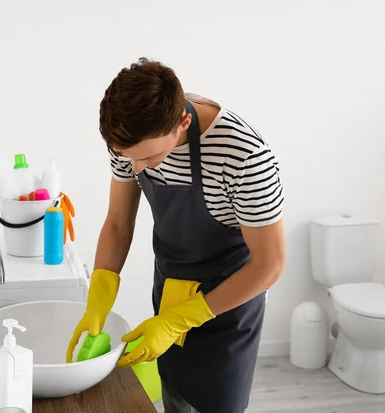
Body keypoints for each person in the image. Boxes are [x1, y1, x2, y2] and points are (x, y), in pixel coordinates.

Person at [67, 57, 286, 413]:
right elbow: (119, 224)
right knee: (174, 398)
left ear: (182, 122)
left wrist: (180, 319)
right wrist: (98, 298)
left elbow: (271, 264)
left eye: (149, 158)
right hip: (169, 287)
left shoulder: (243, 156)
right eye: (127, 157)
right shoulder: (129, 139)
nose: (135, 168)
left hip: (225, 307)